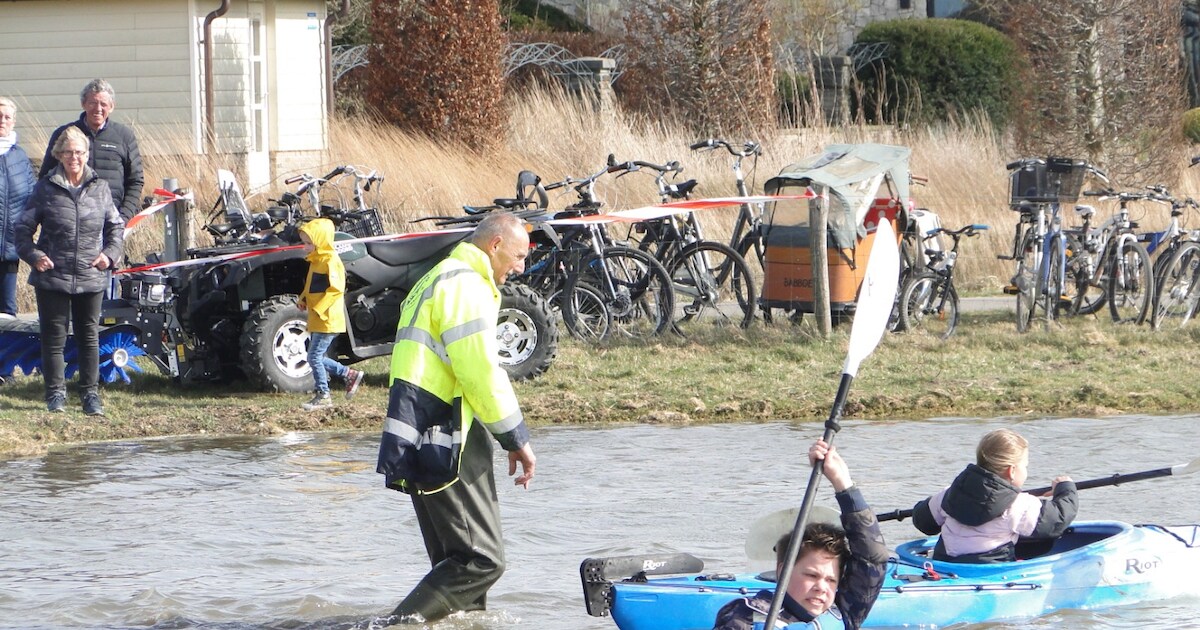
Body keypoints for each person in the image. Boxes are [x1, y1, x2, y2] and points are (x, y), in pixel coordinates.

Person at [376, 212, 536, 625]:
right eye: (518, 257)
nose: (520, 267)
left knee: (455, 567)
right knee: (481, 561)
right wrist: (514, 436)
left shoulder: (437, 276)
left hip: (417, 432)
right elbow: (479, 371)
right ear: (495, 245)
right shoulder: (467, 283)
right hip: (448, 433)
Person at [713, 440, 889, 630]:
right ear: (782, 572)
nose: (821, 588)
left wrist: (842, 482)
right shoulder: (744, 617)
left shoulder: (844, 613)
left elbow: (873, 558)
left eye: (831, 580)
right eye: (811, 575)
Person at [16, 126, 124, 415]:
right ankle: (55, 395)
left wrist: (110, 255)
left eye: (79, 152)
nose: (74, 157)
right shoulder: (45, 189)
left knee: (89, 337)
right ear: (59, 155)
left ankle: (90, 396)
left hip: (91, 275)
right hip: (53, 276)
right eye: (68, 152)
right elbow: (22, 230)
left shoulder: (100, 187)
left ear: (87, 154)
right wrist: (34, 255)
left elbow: (115, 226)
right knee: (54, 337)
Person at [910, 428, 1078, 563]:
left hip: (946, 564)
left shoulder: (950, 493)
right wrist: (1065, 487)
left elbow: (923, 521)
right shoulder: (1019, 504)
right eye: (1024, 466)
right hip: (991, 569)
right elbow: (1057, 520)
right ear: (1011, 471)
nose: (1026, 471)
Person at [40, 79, 143, 223]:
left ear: (112, 106)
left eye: (103, 104)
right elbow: (46, 177)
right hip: (71, 220)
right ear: (83, 104)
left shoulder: (124, 136)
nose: (98, 109)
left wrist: (124, 218)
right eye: (93, 103)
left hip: (111, 220)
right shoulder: (65, 134)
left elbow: (135, 181)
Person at [296, 217, 363, 411]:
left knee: (314, 357)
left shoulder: (330, 260)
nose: (305, 247)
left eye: (308, 243)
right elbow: (311, 287)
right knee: (315, 356)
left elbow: (336, 289)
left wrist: (318, 308)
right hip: (319, 318)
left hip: (328, 318)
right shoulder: (316, 261)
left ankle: (324, 394)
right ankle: (348, 374)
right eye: (304, 243)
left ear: (320, 241)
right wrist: (303, 299)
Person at [0, 96, 36, 386]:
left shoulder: (20, 157)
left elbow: (33, 199)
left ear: (14, 121)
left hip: (11, 250)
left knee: (7, 312)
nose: (2, 120)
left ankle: (5, 369)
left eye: (7, 117)